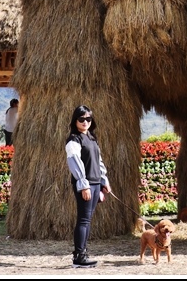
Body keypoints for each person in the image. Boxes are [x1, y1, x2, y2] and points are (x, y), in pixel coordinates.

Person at [65, 105, 111, 268]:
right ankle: (79, 256)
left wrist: (103, 181)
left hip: (95, 183)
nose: (85, 122)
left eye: (88, 119)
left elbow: (98, 162)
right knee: (83, 220)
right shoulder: (73, 140)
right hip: (85, 184)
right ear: (75, 120)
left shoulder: (92, 138)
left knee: (87, 220)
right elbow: (75, 164)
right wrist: (83, 185)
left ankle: (82, 253)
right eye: (81, 119)